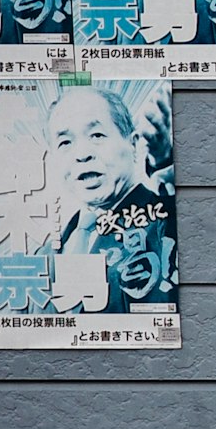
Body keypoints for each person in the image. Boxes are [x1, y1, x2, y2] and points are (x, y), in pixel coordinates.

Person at [43, 80, 177, 312]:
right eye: (65, 142)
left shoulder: (163, 222)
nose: (82, 154)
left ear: (133, 144)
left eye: (97, 135)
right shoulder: (47, 251)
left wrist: (164, 162)